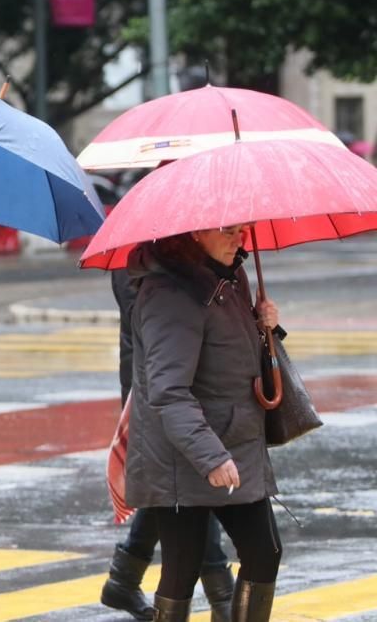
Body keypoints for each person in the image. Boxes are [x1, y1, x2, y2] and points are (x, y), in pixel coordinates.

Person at [126, 225, 282, 621]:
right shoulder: (169, 293)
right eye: (229, 231)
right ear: (194, 233)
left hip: (234, 438)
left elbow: (236, 354)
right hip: (184, 454)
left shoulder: (228, 277)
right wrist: (210, 456)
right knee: (182, 570)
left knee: (265, 552)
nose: (240, 240)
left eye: (242, 230)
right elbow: (168, 390)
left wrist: (266, 326)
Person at [101, 270, 234, 621]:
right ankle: (225, 599)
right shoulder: (144, 264)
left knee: (169, 491)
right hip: (156, 392)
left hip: (177, 385)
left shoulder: (182, 259)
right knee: (190, 488)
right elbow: (161, 328)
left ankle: (123, 578)